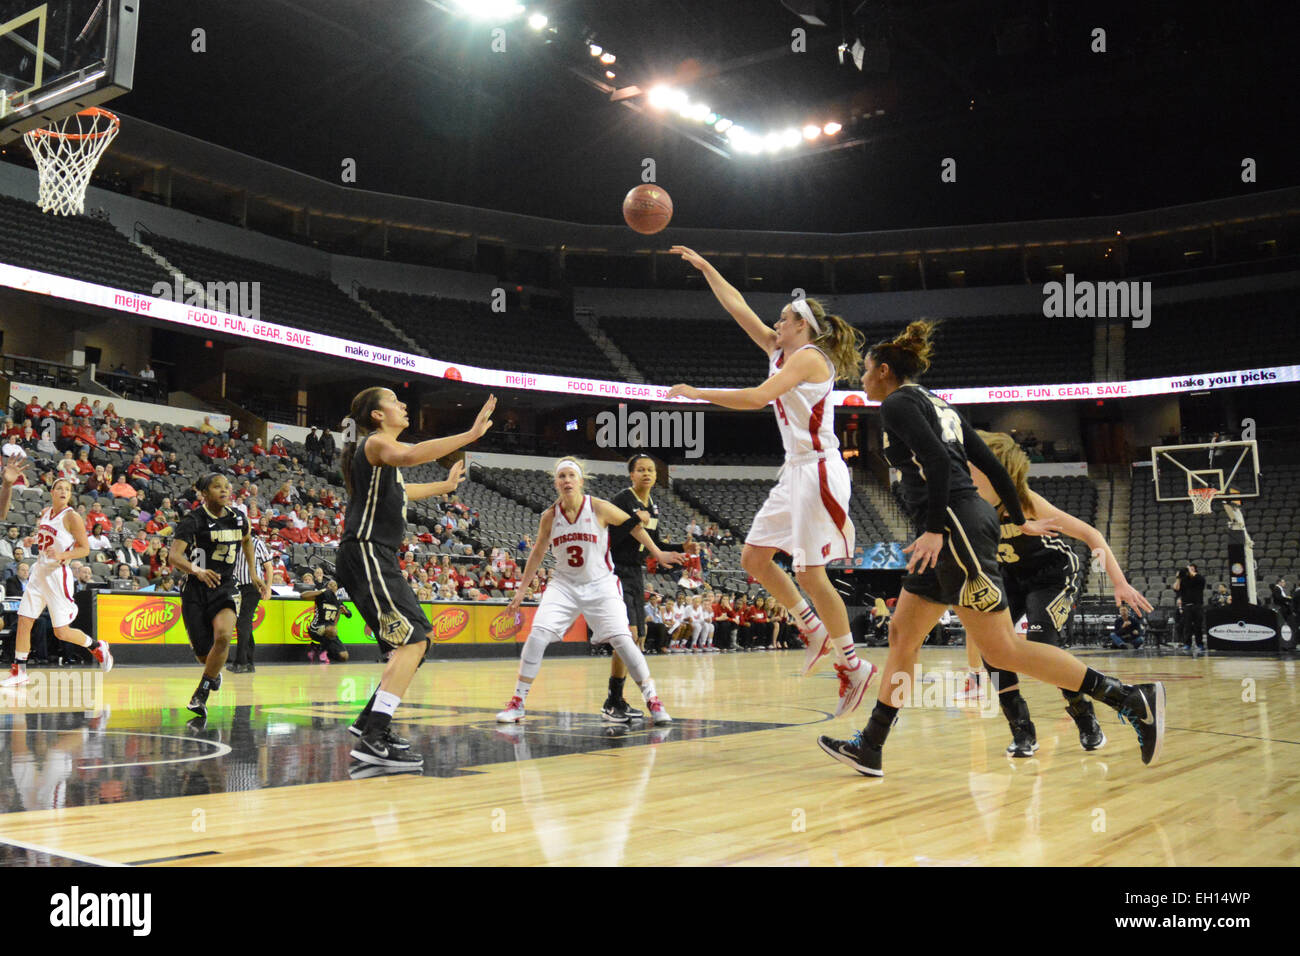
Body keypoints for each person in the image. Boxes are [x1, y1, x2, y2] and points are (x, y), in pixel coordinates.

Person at [817, 320, 1165, 777]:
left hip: (954, 526)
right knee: (902, 635)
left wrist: (938, 528)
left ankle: (1128, 698)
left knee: (1001, 651)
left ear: (883, 371)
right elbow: (991, 466)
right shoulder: (939, 404)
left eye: (864, 371)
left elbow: (940, 462)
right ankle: (872, 746)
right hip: (959, 524)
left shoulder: (900, 403)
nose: (860, 380)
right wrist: (1020, 521)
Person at [667, 246, 875, 717]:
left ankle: (853, 666)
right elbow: (737, 305)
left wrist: (697, 393)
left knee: (810, 573)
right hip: (794, 470)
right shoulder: (780, 350)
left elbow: (759, 398)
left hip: (820, 468)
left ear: (801, 324)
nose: (775, 324)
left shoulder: (808, 358)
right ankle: (813, 629)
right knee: (754, 557)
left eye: (783, 319)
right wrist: (706, 268)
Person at [967, 430, 1155, 756]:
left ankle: (1085, 718)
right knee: (993, 651)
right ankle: (1022, 731)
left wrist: (1119, 582)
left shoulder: (1028, 502)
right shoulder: (969, 502)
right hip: (1008, 576)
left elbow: (1091, 533)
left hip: (1050, 576)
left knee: (1042, 646)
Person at [337, 386, 494, 771]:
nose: (404, 404)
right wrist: (469, 436)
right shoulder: (377, 444)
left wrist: (444, 487)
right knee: (410, 643)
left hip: (376, 556)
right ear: (376, 415)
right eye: (394, 401)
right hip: (367, 551)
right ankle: (374, 736)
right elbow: (408, 456)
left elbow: (404, 491)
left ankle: (368, 723)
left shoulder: (380, 462)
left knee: (420, 641)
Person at [495, 459, 682, 725]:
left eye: (572, 475)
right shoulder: (550, 515)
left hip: (601, 584)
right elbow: (537, 552)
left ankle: (653, 700)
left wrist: (658, 553)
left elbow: (634, 527)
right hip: (564, 586)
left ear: (581, 481)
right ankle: (517, 703)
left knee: (624, 640)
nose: (567, 480)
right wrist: (521, 590)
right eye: (562, 476)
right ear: (556, 482)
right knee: (536, 636)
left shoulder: (598, 507)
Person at [168, 474, 264, 719]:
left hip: (226, 586)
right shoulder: (193, 520)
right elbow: (174, 557)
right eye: (216, 487)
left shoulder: (239, 518)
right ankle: (213, 672)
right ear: (204, 493)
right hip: (195, 589)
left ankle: (201, 693)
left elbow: (247, 541)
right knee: (204, 654)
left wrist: (253, 572)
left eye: (227, 486)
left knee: (223, 636)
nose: (224, 490)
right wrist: (197, 571)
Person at [2, 478, 114, 686]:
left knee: (61, 631)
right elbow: (47, 537)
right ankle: (19, 671)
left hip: (56, 575)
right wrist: (33, 540)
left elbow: (84, 549)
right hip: (38, 572)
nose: (64, 492)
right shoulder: (45, 512)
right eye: (60, 488)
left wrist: (62, 554)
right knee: (24, 620)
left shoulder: (72, 517)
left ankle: (97, 646)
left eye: (68, 489)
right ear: (52, 492)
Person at [601, 454, 684, 720]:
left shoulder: (654, 506)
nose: (646, 473)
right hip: (616, 570)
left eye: (650, 470)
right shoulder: (623, 500)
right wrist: (634, 520)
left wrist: (682, 548)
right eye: (640, 470)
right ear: (631, 475)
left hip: (636, 572)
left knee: (639, 638)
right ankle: (613, 700)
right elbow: (610, 534)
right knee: (628, 635)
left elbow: (654, 545)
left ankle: (617, 699)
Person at [228, 516, 274, 674]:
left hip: (252, 587)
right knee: (243, 625)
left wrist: (268, 588)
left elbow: (268, 567)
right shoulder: (233, 545)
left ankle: (240, 662)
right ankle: (249, 661)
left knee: (243, 623)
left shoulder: (257, 543)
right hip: (236, 587)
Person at [301, 579, 352, 663]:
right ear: (326, 587)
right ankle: (322, 650)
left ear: (337, 588)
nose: (332, 586)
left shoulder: (338, 601)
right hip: (316, 627)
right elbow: (303, 596)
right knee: (332, 629)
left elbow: (349, 615)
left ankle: (318, 648)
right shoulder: (322, 596)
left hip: (330, 632)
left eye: (334, 585)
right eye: (330, 585)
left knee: (344, 656)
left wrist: (346, 611)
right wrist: (321, 591)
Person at [1174, 562, 1207, 656]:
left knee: (1198, 626)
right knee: (1187, 626)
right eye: (1189, 569)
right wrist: (1178, 578)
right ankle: (1187, 644)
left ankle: (1199, 644)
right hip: (1186, 606)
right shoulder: (1184, 580)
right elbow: (1176, 588)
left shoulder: (1199, 578)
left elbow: (1197, 577)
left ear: (1195, 570)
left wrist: (1190, 570)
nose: (1189, 570)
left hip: (1197, 605)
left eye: (1192, 569)